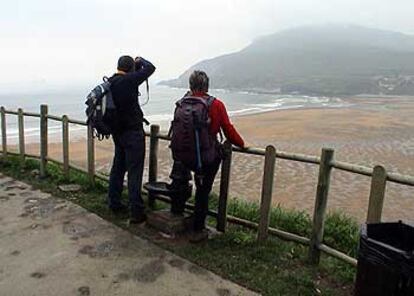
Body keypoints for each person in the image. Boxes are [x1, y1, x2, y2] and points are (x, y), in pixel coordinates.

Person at [168, 70, 245, 242]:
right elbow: (229, 131)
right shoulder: (216, 105)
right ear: (207, 85)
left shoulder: (181, 103)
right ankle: (198, 230)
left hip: (183, 155)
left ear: (190, 85)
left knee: (181, 180)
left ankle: (177, 211)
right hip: (205, 158)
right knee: (203, 191)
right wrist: (242, 144)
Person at [107, 55, 156, 224]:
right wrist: (140, 60)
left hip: (118, 133)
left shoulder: (111, 82)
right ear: (130, 69)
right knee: (134, 172)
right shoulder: (129, 80)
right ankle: (136, 211)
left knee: (118, 168)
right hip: (133, 134)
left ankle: (114, 203)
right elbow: (150, 68)